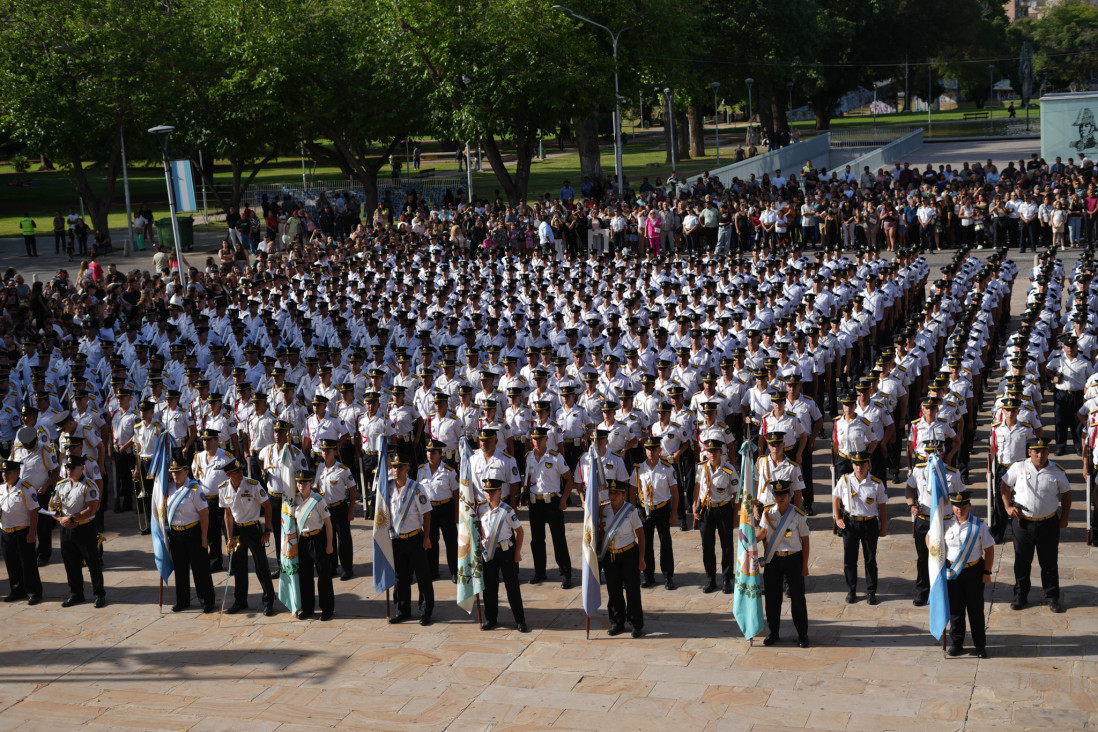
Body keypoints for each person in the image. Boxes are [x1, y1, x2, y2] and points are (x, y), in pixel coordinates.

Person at [1000, 437, 1070, 613]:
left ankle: (1052, 597)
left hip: (1048, 523)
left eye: (1043, 451)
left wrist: (1064, 517)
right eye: (1036, 451)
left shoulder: (1056, 471)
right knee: (1022, 562)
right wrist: (1008, 507)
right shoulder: (1018, 467)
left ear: (1048, 452)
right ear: (1029, 452)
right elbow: (1004, 486)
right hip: (1023, 523)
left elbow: (1067, 494)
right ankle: (1020, 595)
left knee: (1049, 562)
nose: (1040, 455)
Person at [939, 491, 994, 658]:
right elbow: (930, 538)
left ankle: (980, 646)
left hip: (973, 572)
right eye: (956, 506)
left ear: (969, 505)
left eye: (963, 506)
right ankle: (957, 643)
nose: (959, 509)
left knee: (975, 610)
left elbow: (989, 550)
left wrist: (987, 572)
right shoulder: (945, 524)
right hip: (953, 573)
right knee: (956, 610)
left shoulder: (979, 525)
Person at [220, 458, 276, 616]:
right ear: (228, 474)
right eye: (236, 471)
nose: (240, 473)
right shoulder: (223, 488)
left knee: (261, 566)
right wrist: (230, 537)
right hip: (237, 530)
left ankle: (268, 601)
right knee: (239, 567)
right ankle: (240, 601)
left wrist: (267, 530)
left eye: (241, 470)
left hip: (253, 529)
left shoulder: (253, 485)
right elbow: (227, 514)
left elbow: (267, 506)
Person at [756, 479, 809, 647]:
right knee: (772, 598)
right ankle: (773, 633)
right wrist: (748, 540)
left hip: (793, 559)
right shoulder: (768, 513)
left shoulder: (798, 515)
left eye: (783, 495)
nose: (780, 498)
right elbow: (763, 533)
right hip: (773, 559)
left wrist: (805, 566)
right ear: (773, 495)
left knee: (797, 598)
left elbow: (805, 542)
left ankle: (802, 635)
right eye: (777, 495)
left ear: (790, 495)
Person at [522, 425, 574, 588]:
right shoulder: (529, 457)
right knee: (537, 540)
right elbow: (528, 480)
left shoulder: (556, 457)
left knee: (559, 540)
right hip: (535, 503)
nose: (537, 442)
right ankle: (540, 572)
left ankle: (566, 574)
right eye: (534, 439)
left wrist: (564, 499)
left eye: (540, 439)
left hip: (552, 503)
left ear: (546, 439)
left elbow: (569, 479)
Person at [832, 451, 887, 605]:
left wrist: (883, 527)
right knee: (850, 559)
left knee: (870, 559)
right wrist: (837, 518)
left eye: (862, 464)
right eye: (856, 464)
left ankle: (871, 592)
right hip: (850, 523)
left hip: (869, 524)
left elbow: (882, 506)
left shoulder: (876, 483)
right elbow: (836, 499)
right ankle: (851, 590)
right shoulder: (845, 480)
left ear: (868, 465)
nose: (859, 467)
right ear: (852, 465)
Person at [387, 453, 434, 625]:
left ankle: (425, 611)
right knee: (400, 577)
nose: (396, 470)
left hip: (415, 538)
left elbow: (427, 514)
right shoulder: (388, 488)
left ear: (407, 468)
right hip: (397, 540)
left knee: (422, 576)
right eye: (394, 467)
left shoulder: (417, 488)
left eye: (400, 467)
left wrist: (426, 537)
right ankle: (402, 610)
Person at [55, 455, 106, 608]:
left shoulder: (89, 486)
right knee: (70, 563)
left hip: (84, 528)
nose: (69, 470)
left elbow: (92, 509)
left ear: (82, 468)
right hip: (66, 529)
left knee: (92, 562)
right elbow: (52, 506)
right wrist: (61, 520)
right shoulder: (61, 485)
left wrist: (72, 518)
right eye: (67, 468)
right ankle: (76, 594)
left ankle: (99, 594)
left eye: (72, 468)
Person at [165, 458, 215, 613]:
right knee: (180, 568)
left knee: (200, 569)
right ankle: (182, 600)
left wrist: (204, 537)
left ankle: (207, 600)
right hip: (176, 534)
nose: (175, 475)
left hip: (193, 532)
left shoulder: (194, 489)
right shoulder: (169, 488)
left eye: (178, 472)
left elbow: (204, 514)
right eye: (173, 472)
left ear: (186, 471)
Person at [478, 477, 528, 632]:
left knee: (512, 587)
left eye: (493, 492)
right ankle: (491, 619)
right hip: (489, 552)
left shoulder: (507, 511)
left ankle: (520, 620)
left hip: (506, 552)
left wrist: (517, 553)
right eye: (487, 492)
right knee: (489, 587)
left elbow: (520, 532)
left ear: (500, 492)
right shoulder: (481, 509)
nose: (489, 495)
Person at [693, 439, 740, 594]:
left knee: (726, 545)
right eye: (709, 451)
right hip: (706, 510)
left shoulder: (728, 469)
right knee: (707, 545)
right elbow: (697, 487)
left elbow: (736, 494)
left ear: (721, 452)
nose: (712, 454)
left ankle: (727, 579)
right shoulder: (701, 468)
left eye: (715, 451)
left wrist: (735, 516)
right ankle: (711, 579)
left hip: (723, 509)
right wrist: (694, 505)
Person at [601, 479, 645, 637]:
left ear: (623, 494)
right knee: (614, 591)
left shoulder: (631, 512)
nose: (612, 496)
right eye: (610, 493)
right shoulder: (603, 510)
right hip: (611, 556)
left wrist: (641, 559)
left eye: (616, 494)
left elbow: (641, 535)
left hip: (629, 554)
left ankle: (636, 623)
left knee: (632, 591)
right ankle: (617, 622)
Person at [632, 435, 678, 590]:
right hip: (645, 510)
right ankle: (648, 576)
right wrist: (632, 511)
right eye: (648, 449)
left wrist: (673, 514)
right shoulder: (639, 469)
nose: (651, 452)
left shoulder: (667, 468)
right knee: (646, 544)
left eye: (654, 449)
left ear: (660, 450)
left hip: (662, 509)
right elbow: (632, 490)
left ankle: (668, 576)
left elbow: (675, 492)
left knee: (665, 543)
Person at [293, 469, 335, 620]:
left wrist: (329, 545)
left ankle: (327, 609)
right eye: (299, 483)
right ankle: (308, 608)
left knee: (323, 575)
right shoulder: (295, 499)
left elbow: (328, 524)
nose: (301, 485)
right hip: (303, 540)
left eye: (305, 483)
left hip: (317, 539)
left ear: (311, 483)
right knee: (305, 576)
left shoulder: (318, 500)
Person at [417, 439, 460, 582]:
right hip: (429, 510)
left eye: (434, 452)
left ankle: (455, 571)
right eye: (428, 452)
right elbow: (418, 491)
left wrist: (456, 514)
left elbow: (457, 493)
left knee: (451, 541)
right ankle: (433, 571)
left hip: (446, 508)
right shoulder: (421, 470)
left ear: (440, 454)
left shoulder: (449, 471)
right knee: (430, 540)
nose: (430, 454)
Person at [0, 459, 42, 604]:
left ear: (17, 473)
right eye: (3, 472)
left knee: (28, 564)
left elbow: (34, 511)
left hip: (22, 531)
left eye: (8, 472)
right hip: (6, 531)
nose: (5, 475)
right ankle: (17, 590)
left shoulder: (26, 488)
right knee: (11, 563)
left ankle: (34, 592)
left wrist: (32, 533)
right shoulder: (1, 488)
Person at [315, 438, 356, 581]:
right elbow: (316, 488)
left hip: (340, 508)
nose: (325, 453)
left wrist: (351, 511)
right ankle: (332, 567)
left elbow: (353, 490)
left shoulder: (343, 470)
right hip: (325, 509)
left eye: (328, 451)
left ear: (335, 452)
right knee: (328, 539)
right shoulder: (319, 468)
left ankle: (347, 568)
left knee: (343, 540)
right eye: (323, 450)